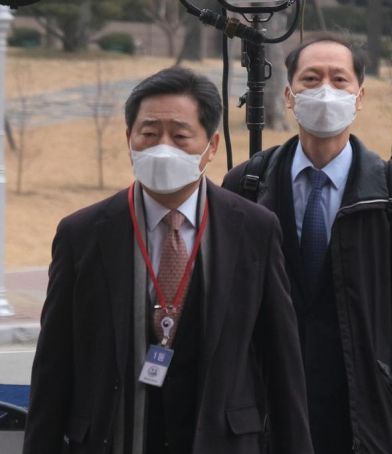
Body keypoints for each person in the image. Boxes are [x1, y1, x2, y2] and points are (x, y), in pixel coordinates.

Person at [23, 67, 313, 454]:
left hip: (221, 439)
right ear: (129, 139)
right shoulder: (83, 233)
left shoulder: (254, 229)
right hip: (114, 436)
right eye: (148, 133)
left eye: (179, 136)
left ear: (211, 146)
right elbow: (53, 366)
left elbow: (282, 363)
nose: (163, 147)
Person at [223, 37, 392, 454]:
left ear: (359, 96)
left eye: (339, 80)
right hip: (268, 417)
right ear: (289, 95)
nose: (325, 92)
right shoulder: (247, 185)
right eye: (311, 80)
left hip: (365, 418)